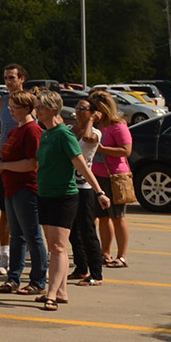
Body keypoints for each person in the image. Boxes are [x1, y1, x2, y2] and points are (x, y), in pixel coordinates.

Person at [25, 91, 111, 310]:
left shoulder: (65, 135)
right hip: (45, 195)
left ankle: (51, 294)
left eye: (41, 107)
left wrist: (99, 192)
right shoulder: (46, 134)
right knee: (54, 248)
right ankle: (62, 291)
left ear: (53, 109)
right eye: (37, 106)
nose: (37, 110)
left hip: (65, 196)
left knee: (58, 246)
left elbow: (81, 165)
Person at [0, 91, 46, 296]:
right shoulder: (17, 129)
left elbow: (33, 163)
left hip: (26, 189)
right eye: (10, 107)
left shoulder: (32, 130)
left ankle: (38, 280)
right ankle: (13, 277)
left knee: (33, 236)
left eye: (14, 108)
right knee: (17, 236)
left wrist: (5, 165)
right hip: (11, 188)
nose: (10, 111)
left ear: (26, 108)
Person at [0, 65, 31, 275]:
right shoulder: (1, 101)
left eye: (12, 78)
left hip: (27, 161)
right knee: (5, 210)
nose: (8, 82)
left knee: (30, 210)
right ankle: (5, 257)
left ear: (22, 79)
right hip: (4, 160)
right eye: (5, 78)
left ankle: (32, 251)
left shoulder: (31, 102)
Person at [90, 91, 134, 269]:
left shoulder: (118, 126)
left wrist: (102, 149)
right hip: (97, 175)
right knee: (102, 217)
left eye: (97, 108)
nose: (95, 112)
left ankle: (122, 256)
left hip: (115, 176)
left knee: (117, 217)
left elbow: (126, 151)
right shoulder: (94, 125)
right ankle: (105, 253)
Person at [68, 100, 106, 286]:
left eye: (83, 108)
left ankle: (96, 274)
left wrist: (91, 120)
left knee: (87, 231)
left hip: (84, 188)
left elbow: (88, 138)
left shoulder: (95, 133)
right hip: (68, 186)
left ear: (92, 112)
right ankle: (81, 268)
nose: (78, 111)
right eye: (77, 107)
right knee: (73, 232)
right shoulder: (70, 128)